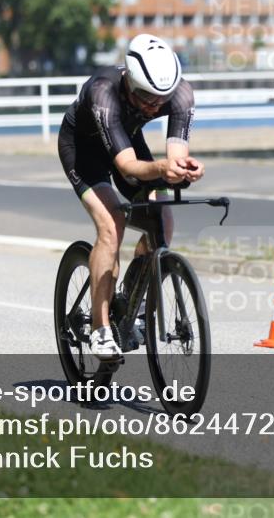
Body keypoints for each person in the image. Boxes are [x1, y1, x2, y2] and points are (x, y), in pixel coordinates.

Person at [59, 34, 204, 360]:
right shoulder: (103, 92)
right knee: (113, 224)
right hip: (84, 151)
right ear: (128, 82)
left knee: (163, 220)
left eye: (160, 100)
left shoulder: (180, 94)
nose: (154, 106)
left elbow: (174, 155)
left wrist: (183, 168)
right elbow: (127, 165)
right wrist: (162, 168)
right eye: (146, 99)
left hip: (126, 139)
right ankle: (100, 329)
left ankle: (132, 300)